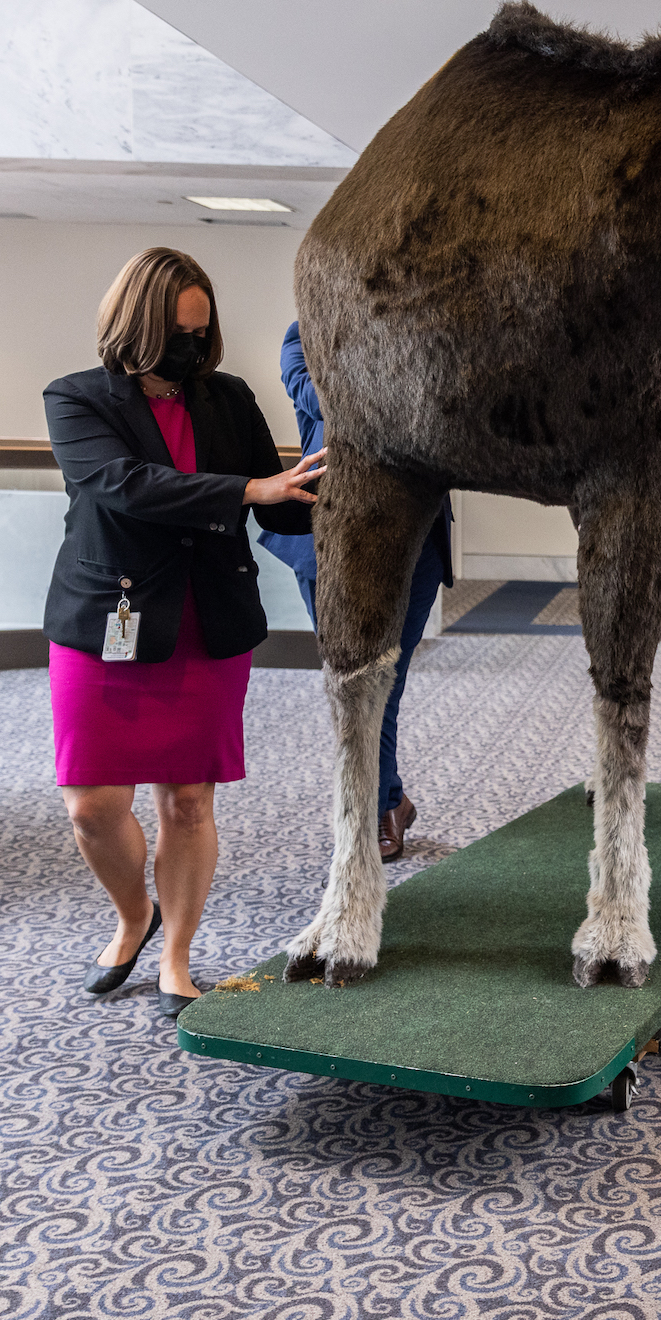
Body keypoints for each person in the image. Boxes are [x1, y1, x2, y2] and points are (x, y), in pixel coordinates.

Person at [44, 249, 325, 1019]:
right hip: (107, 619)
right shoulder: (76, 400)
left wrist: (330, 480)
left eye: (201, 334)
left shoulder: (227, 398)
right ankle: (135, 913)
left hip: (204, 620)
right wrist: (246, 487)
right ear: (135, 324)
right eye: (177, 333)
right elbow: (124, 486)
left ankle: (176, 953)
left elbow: (277, 507)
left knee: (190, 801)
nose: (192, 350)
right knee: (92, 804)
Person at [254, 321, 452, 860]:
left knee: (383, 680)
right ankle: (388, 801)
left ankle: (378, 806)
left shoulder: (426, 329)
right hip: (331, 539)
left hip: (416, 538)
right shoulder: (303, 334)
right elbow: (324, 400)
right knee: (351, 684)